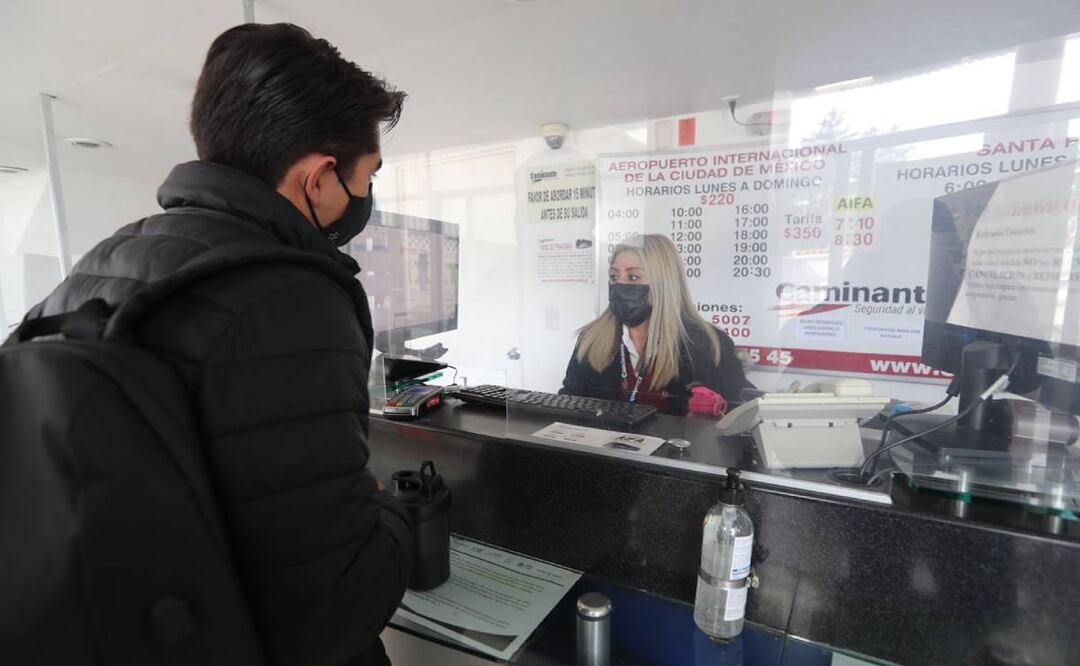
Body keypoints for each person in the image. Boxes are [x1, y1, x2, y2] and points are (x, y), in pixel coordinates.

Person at [24, 24, 411, 666]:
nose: (365, 198)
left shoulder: (103, 258)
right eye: (365, 177)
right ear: (318, 179)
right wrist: (394, 515)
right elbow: (333, 609)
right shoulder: (291, 297)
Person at [561, 234, 753, 415]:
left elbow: (741, 412)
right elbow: (569, 402)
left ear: (663, 284)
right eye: (614, 277)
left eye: (633, 277)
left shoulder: (708, 344)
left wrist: (712, 415)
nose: (619, 285)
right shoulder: (592, 339)